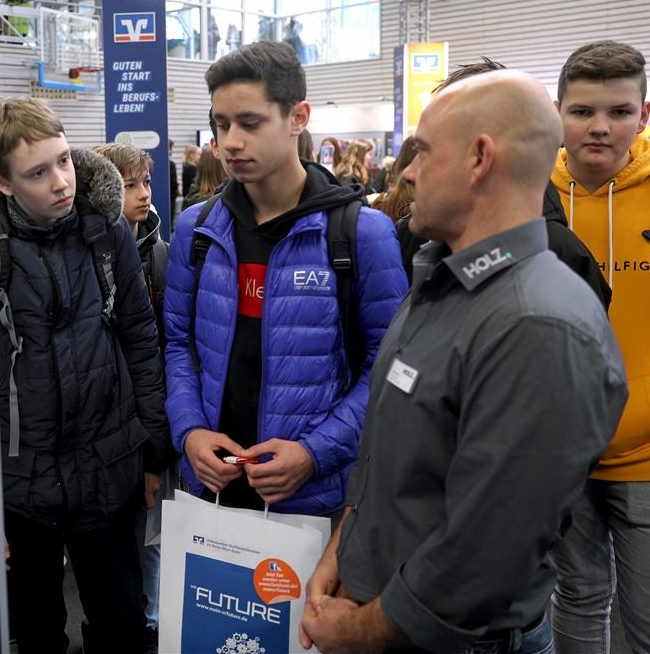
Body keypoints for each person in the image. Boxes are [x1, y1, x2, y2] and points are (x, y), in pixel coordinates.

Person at [301, 69, 628, 654]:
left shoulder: (538, 325)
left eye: (422, 152)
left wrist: (358, 630)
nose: (405, 171)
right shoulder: (442, 281)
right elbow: (393, 455)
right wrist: (342, 552)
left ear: (479, 159)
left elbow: (483, 554)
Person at [165, 41, 406, 519]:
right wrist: (189, 431)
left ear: (298, 117)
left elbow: (389, 365)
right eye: (221, 124)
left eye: (250, 123)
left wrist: (316, 451)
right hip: (214, 489)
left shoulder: (361, 233)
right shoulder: (197, 229)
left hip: (313, 498)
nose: (231, 141)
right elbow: (178, 344)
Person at [0, 98, 175, 654]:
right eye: (38, 173)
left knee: (121, 625)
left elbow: (141, 337)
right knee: (38, 633)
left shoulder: (106, 231)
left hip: (107, 465)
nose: (61, 182)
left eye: (64, 161)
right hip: (21, 482)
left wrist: (153, 454)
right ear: (2, 181)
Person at [549, 40, 650, 653]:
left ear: (644, 113)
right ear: (557, 111)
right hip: (557, 453)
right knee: (578, 600)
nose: (600, 127)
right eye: (583, 110)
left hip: (646, 457)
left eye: (618, 110)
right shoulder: (530, 195)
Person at [392, 58, 611, 309]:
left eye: (427, 149)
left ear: (481, 154)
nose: (409, 173)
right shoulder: (414, 233)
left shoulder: (561, 253)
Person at [92, 141, 169, 648]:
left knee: (158, 525)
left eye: (145, 182)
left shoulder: (162, 252)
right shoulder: (92, 255)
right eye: (129, 185)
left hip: (155, 406)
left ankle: (157, 617)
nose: (143, 195)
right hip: (109, 417)